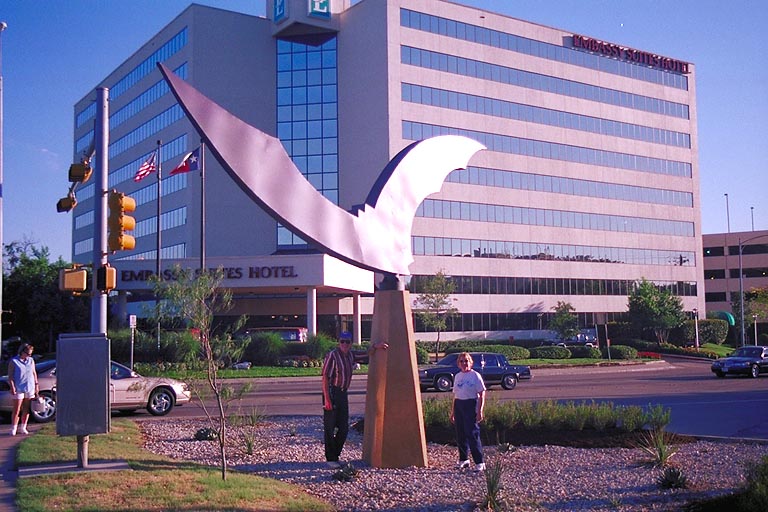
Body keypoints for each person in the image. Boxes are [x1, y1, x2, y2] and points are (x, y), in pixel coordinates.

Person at [321, 331, 387, 468]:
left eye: (347, 342)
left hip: (343, 393)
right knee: (330, 427)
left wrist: (377, 346)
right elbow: (325, 377)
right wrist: (327, 399)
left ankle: (336, 455)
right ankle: (330, 458)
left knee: (344, 428)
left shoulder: (351, 355)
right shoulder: (333, 355)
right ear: (339, 342)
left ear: (351, 343)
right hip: (332, 392)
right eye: (342, 341)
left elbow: (366, 353)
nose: (344, 344)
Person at [450, 352, 486, 472]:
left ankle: (479, 462)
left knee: (472, 434)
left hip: (471, 404)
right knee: (460, 433)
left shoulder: (475, 376)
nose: (464, 363)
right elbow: (456, 395)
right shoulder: (458, 376)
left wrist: (480, 410)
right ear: (458, 364)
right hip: (459, 405)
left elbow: (482, 393)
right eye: (461, 361)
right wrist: (453, 412)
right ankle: (463, 459)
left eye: (466, 361)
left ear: (470, 362)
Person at [8, 343, 38, 436]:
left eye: (30, 354)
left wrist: (36, 384)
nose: (29, 356)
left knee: (26, 408)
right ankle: (14, 427)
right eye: (27, 354)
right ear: (22, 352)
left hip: (30, 386)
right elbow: (10, 376)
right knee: (17, 408)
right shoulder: (14, 361)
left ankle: (23, 427)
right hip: (18, 387)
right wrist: (12, 386)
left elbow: (34, 373)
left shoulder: (31, 360)